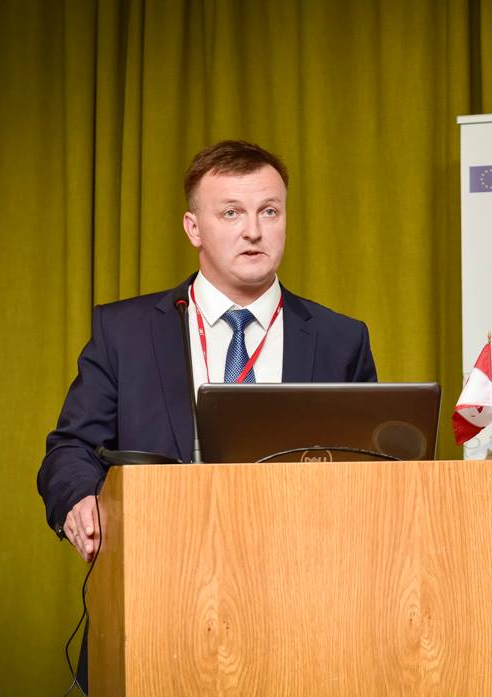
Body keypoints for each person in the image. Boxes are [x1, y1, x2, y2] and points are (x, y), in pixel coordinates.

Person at [37, 141, 377, 563]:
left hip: (303, 572)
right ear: (193, 228)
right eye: (231, 213)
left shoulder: (340, 340)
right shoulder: (124, 333)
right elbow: (72, 448)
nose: (253, 231)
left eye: (269, 211)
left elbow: (375, 471)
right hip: (162, 567)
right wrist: (79, 499)